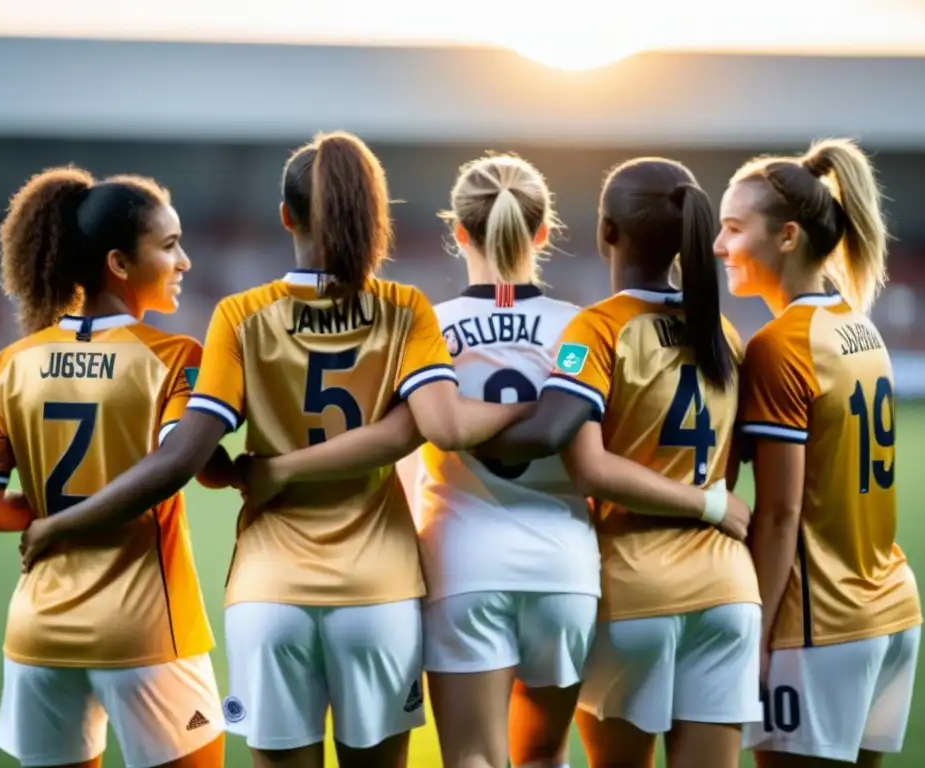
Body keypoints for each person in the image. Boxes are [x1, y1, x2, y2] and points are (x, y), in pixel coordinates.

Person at [19, 132, 530, 768]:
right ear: (374, 217)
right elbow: (426, 426)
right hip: (379, 591)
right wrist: (542, 403)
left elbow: (184, 460)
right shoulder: (404, 310)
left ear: (286, 216)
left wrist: (232, 472)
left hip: (270, 593)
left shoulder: (241, 315)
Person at [239, 159, 755, 768]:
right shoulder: (580, 326)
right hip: (565, 565)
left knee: (473, 759)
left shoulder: (427, 323)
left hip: (463, 561)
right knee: (543, 756)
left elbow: (407, 436)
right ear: (542, 234)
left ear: (458, 232)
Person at [0, 167, 230, 768]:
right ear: (119, 263)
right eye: (168, 246)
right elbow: (177, 464)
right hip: (147, 634)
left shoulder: (12, 361)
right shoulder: (174, 357)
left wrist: (55, 518)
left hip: (38, 635)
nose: (184, 261)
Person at [717, 138, 922, 767]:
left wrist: (753, 635)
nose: (720, 246)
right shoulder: (858, 325)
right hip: (890, 610)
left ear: (785, 237)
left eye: (733, 229)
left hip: (819, 625)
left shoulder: (782, 345)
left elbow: (779, 515)